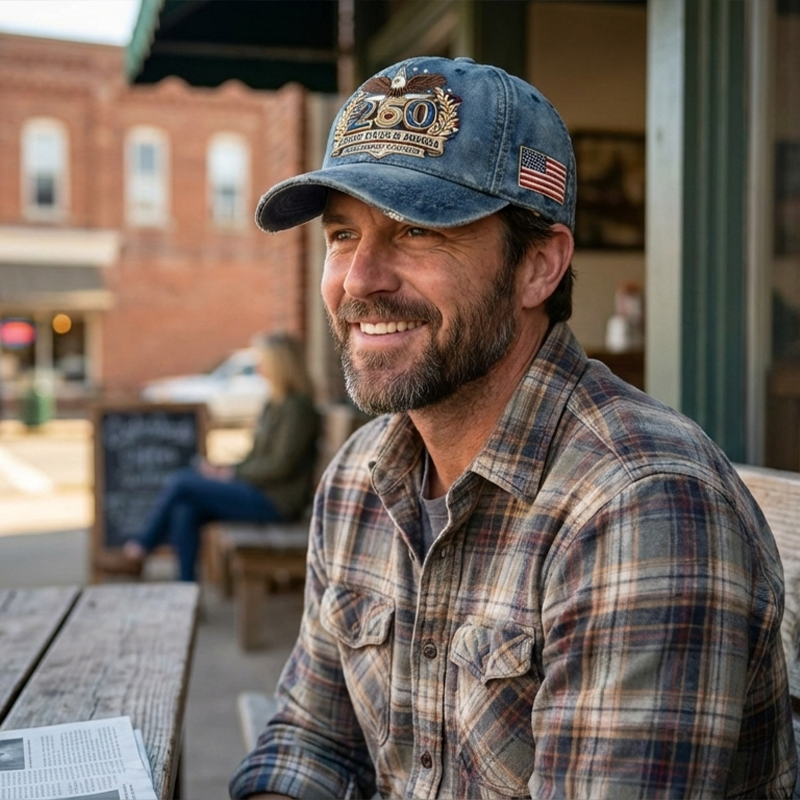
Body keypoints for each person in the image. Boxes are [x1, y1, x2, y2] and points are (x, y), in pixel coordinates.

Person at [229, 57, 797, 799]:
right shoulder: (361, 476)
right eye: (342, 234)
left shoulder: (639, 504)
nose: (360, 279)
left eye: (416, 230)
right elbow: (311, 740)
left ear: (539, 267)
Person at [101, 333, 320, 583]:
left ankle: (138, 551)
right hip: (258, 490)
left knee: (182, 482)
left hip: (277, 502)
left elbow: (282, 465)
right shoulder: (275, 404)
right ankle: (185, 588)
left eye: (264, 362)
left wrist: (232, 474)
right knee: (186, 509)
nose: (259, 368)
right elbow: (258, 458)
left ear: (281, 365)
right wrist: (226, 468)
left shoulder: (297, 408)